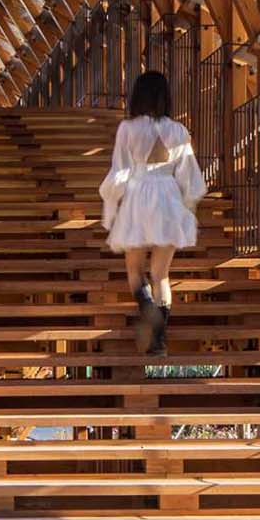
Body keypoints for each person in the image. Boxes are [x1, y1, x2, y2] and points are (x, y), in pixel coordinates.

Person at [99, 69, 207, 358]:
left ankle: (148, 310)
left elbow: (120, 171)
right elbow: (189, 177)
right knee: (161, 274)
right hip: (168, 198)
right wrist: (188, 206)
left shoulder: (128, 129)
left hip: (138, 197)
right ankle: (159, 340)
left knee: (134, 270)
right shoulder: (178, 131)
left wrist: (111, 200)